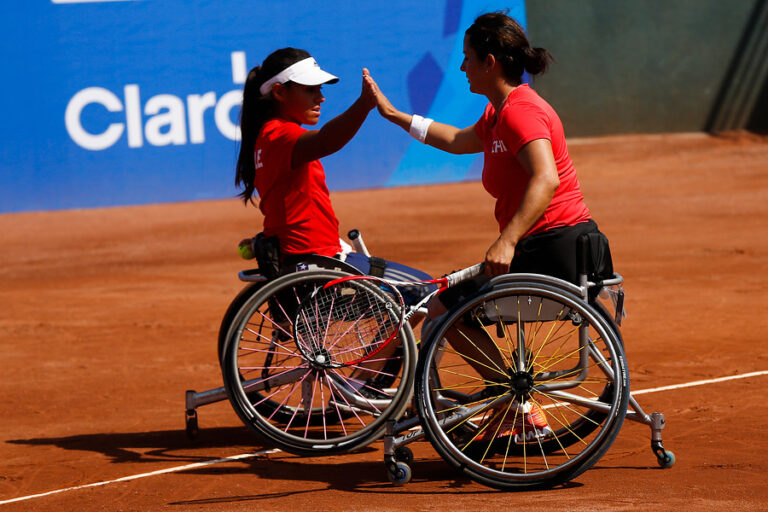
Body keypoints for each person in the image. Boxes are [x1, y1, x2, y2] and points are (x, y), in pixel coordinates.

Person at [365, 13, 614, 443]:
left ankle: (516, 403)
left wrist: (507, 238)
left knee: (441, 309)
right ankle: (510, 401)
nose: (462, 67)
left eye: (467, 59)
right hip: (543, 247)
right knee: (441, 305)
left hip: (556, 249)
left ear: (490, 62)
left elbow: (547, 179)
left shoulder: (522, 112)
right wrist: (393, 115)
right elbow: (458, 140)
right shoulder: (499, 112)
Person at [235, 47, 434, 301]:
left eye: (320, 89)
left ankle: (394, 343)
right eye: (310, 89)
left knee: (414, 301)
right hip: (320, 265)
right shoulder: (280, 135)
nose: (321, 97)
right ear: (279, 92)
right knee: (430, 294)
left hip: (307, 258)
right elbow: (327, 141)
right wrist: (364, 105)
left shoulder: (268, 136)